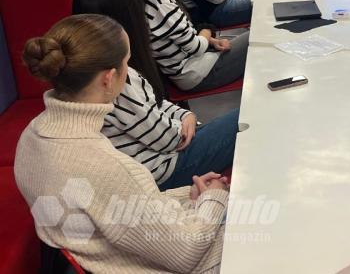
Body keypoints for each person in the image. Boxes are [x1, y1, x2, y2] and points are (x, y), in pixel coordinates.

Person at [16, 14, 228, 273]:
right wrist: (215, 197)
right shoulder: (108, 165)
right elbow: (186, 252)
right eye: (127, 62)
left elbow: (115, 208)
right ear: (109, 77)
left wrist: (187, 196)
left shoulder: (30, 138)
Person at [72, 0, 240, 190]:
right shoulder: (112, 80)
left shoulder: (110, 66)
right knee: (248, 119)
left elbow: (155, 103)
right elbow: (169, 139)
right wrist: (184, 124)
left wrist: (186, 114)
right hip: (164, 169)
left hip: (165, 149)